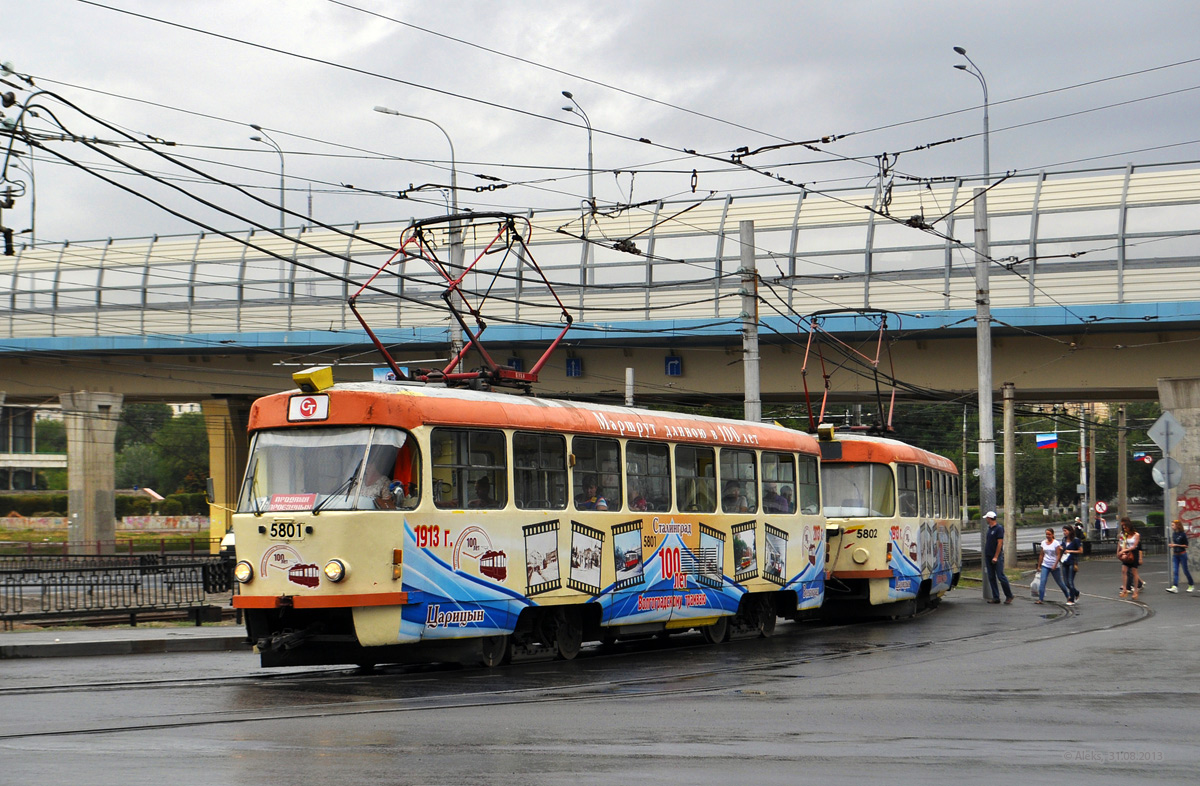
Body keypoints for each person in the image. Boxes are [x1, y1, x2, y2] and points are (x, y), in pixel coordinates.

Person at [982, 511, 1014, 604]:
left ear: (989, 518)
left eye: (987, 518)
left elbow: (1000, 543)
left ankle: (1009, 595)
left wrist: (996, 556)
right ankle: (996, 597)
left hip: (996, 556)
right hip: (988, 555)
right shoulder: (990, 529)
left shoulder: (999, 528)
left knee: (1000, 576)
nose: (986, 520)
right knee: (991, 577)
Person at [1036, 527, 1072, 605]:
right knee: (1043, 581)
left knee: (1059, 582)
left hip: (1054, 565)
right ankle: (1040, 599)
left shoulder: (1056, 543)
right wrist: (1039, 566)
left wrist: (1055, 565)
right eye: (1046, 534)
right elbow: (1041, 555)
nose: (1048, 536)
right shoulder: (1043, 543)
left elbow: (1058, 555)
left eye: (1049, 534)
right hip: (1045, 564)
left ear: (1052, 535)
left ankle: (1068, 596)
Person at [1166, 519, 1195, 593]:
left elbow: (1186, 545)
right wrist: (1172, 545)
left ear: (1177, 526)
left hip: (1182, 554)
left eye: (1173, 525)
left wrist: (1176, 545)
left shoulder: (1183, 534)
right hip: (1175, 554)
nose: (1172, 527)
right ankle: (1175, 586)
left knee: (1185, 570)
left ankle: (1191, 584)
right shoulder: (1174, 534)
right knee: (1175, 571)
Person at [1116, 517, 1142, 599]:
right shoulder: (1124, 534)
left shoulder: (1136, 535)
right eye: (1123, 528)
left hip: (1133, 553)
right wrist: (1120, 552)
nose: (1124, 529)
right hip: (1126, 552)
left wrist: (1125, 550)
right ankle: (1124, 589)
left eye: (1125, 527)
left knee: (1134, 572)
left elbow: (1134, 546)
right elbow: (1121, 543)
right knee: (1124, 570)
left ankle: (1135, 591)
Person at [1060, 524, 1083, 603]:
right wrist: (1061, 548)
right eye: (1063, 531)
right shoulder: (1064, 540)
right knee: (1066, 582)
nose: (1064, 532)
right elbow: (1063, 548)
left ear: (1070, 531)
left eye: (1065, 531)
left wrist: (1070, 551)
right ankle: (1076, 593)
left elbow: (1080, 551)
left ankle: (1071, 599)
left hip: (1072, 562)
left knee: (1070, 581)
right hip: (1065, 561)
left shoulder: (1076, 540)